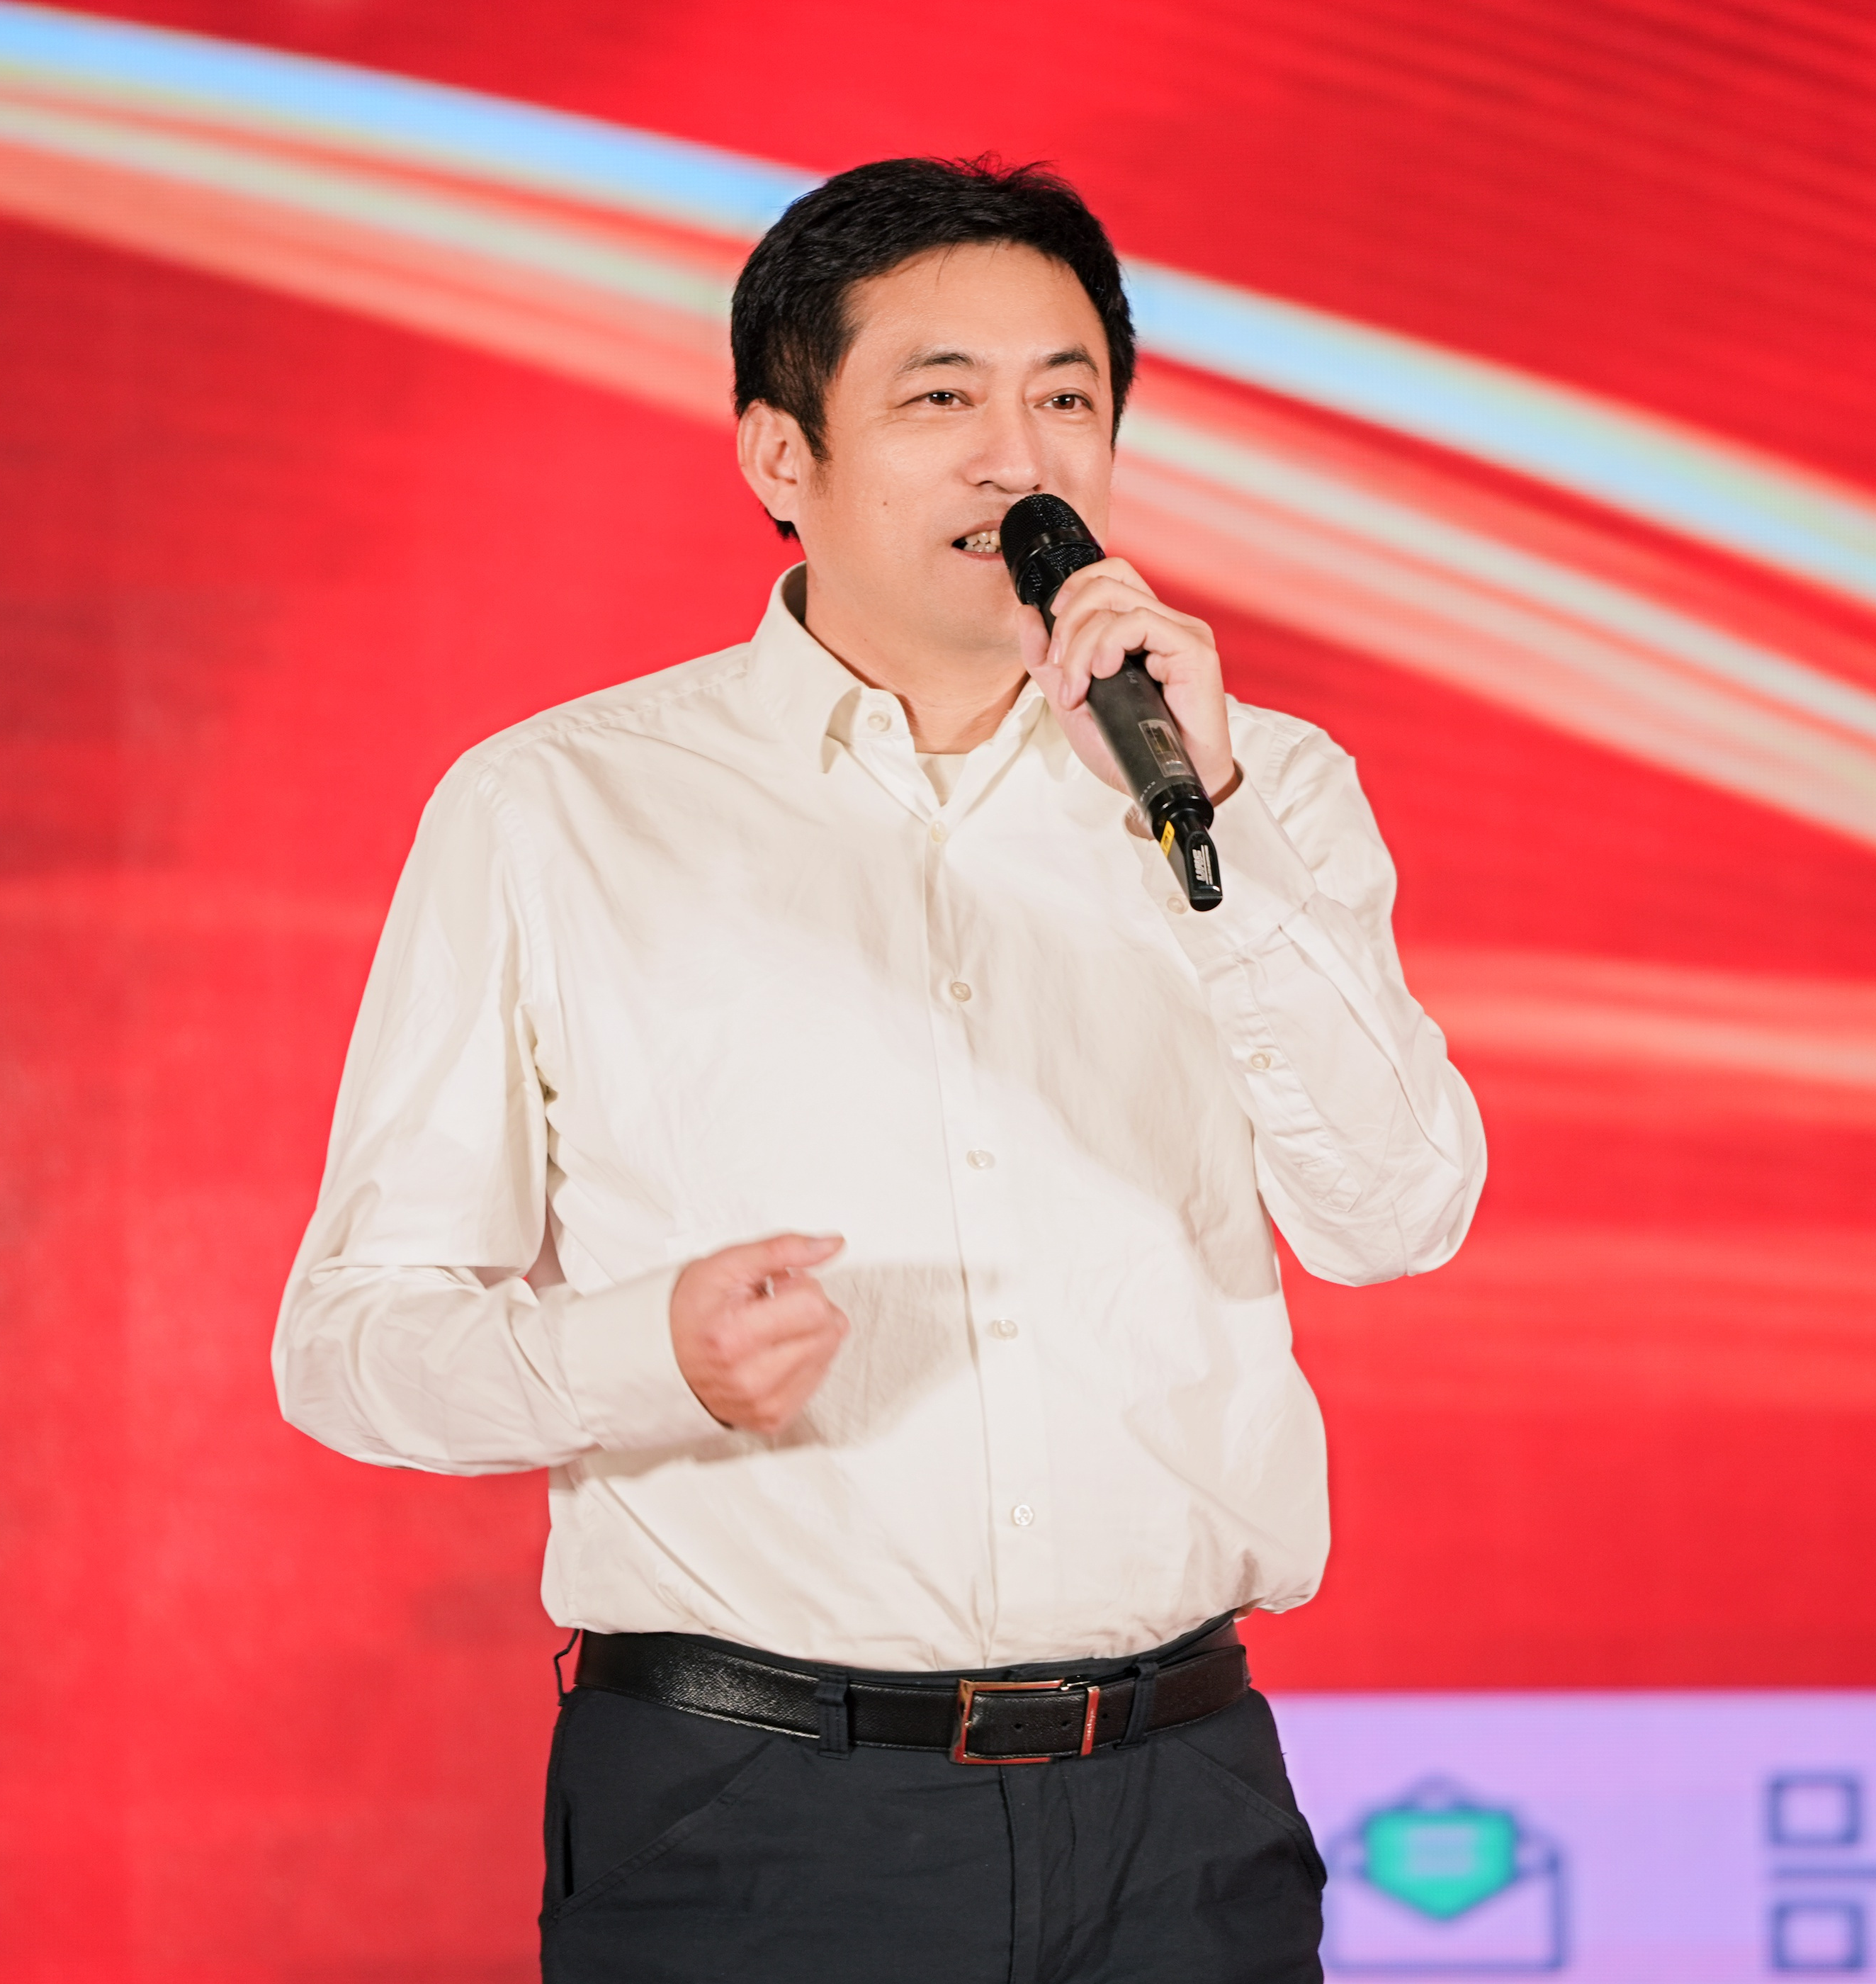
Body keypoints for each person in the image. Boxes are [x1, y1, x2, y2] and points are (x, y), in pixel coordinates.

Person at [274, 156, 1486, 1984]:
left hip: (1180, 1814)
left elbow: (1397, 1217)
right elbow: (351, 1342)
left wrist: (1211, 814)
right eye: (942, 399)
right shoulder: (558, 809)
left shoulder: (1260, 785)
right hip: (756, 1818)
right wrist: (646, 1356)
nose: (1019, 460)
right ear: (783, 457)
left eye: (1066, 399)